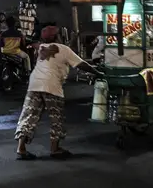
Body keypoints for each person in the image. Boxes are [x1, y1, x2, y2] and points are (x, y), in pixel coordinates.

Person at [15, 25, 103, 160]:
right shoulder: (64, 49)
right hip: (52, 86)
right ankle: (54, 148)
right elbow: (81, 64)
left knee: (29, 115)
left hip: (34, 84)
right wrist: (98, 73)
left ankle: (21, 148)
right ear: (57, 36)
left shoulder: (43, 48)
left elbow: (64, 50)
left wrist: (73, 40)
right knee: (56, 117)